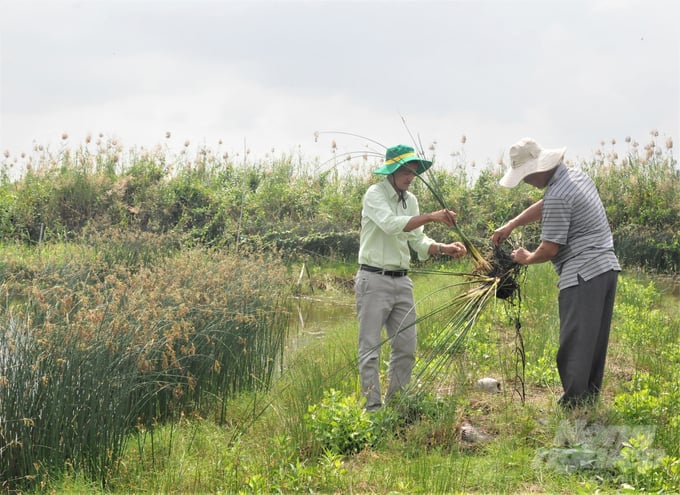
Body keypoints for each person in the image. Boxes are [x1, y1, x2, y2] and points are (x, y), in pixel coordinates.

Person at [490, 137, 621, 409]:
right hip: (605, 268)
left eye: (526, 177)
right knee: (593, 340)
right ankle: (587, 400)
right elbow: (546, 204)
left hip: (584, 274)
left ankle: (573, 404)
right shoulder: (575, 178)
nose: (526, 182)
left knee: (575, 342)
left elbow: (549, 249)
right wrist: (512, 224)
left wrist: (526, 258)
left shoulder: (559, 193)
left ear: (539, 168)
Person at [356, 144, 467, 411]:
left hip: (402, 281)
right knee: (370, 349)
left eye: (413, 172)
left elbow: (417, 241)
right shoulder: (375, 194)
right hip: (374, 279)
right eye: (405, 171)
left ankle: (397, 406)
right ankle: (372, 410)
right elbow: (391, 225)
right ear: (392, 171)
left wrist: (443, 248)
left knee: (405, 346)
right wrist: (432, 216)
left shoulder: (411, 200)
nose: (409, 177)